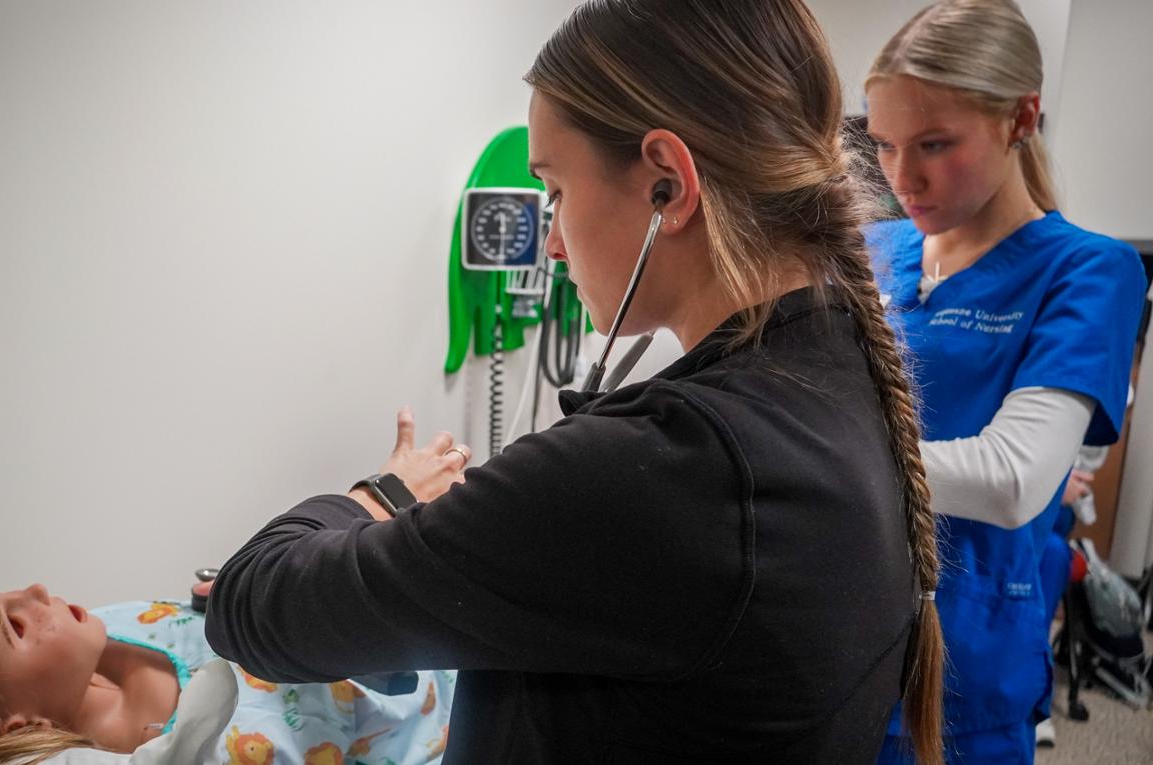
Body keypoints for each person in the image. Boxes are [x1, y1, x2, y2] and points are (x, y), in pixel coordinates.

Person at [204, 1, 944, 762]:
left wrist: (383, 495)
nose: (552, 241)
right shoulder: (837, 377)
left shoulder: (674, 468)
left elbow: (253, 604)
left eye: (555, 190)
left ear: (667, 182)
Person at [862, 1, 1146, 762]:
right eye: (884, 144)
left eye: (934, 144)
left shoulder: (1087, 271)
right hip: (834, 635)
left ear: (1022, 118)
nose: (901, 176)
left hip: (963, 654)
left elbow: (1013, 478)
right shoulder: (871, 249)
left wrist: (816, 462)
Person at [0, 564, 453, 764]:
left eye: (5, 593)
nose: (36, 592)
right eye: (18, 627)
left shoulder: (118, 622)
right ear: (14, 726)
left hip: (435, 660)